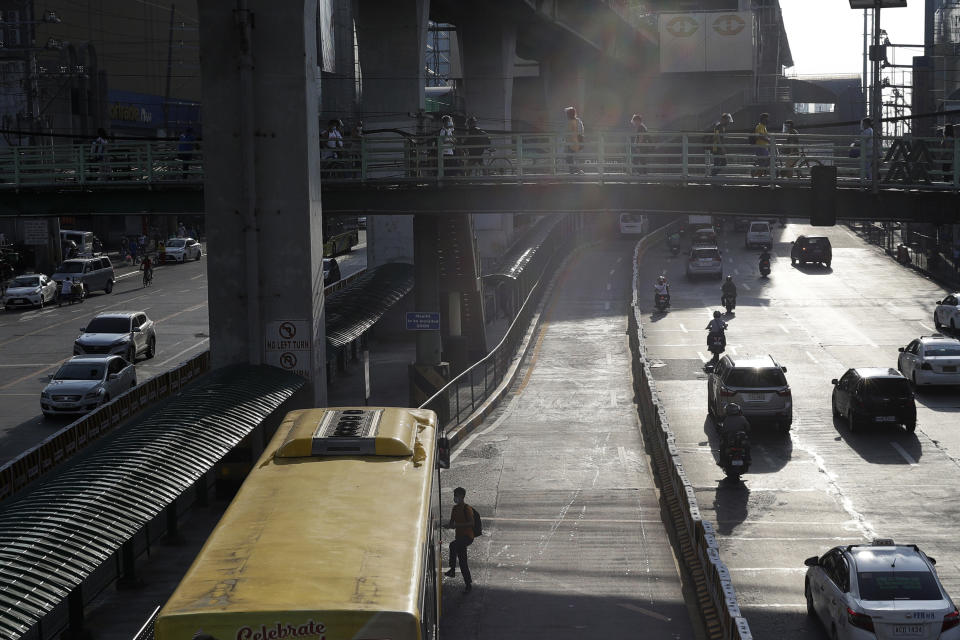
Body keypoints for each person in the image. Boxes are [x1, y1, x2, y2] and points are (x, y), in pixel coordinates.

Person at [444, 486, 475, 592]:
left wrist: (458, 525)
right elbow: (451, 523)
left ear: (462, 496)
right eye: (454, 495)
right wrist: (444, 525)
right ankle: (468, 584)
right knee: (462, 561)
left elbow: (471, 523)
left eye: (456, 495)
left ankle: (452, 569)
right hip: (459, 538)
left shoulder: (467, 508)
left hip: (467, 537)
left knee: (452, 545)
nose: (455, 498)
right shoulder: (454, 509)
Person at [564, 106, 585, 175]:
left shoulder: (571, 122)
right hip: (576, 141)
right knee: (572, 157)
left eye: (567, 114)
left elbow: (568, 133)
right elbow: (581, 131)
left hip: (573, 142)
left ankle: (576, 170)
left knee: (570, 157)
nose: (566, 115)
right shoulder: (578, 121)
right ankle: (575, 170)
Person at [751, 113, 771, 178]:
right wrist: (768, 140)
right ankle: (758, 175)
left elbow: (764, 136)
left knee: (766, 161)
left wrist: (769, 140)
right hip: (760, 147)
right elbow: (758, 136)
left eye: (768, 119)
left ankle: (758, 175)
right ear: (762, 120)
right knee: (764, 162)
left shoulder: (764, 127)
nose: (767, 121)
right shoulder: (759, 126)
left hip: (764, 147)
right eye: (766, 119)